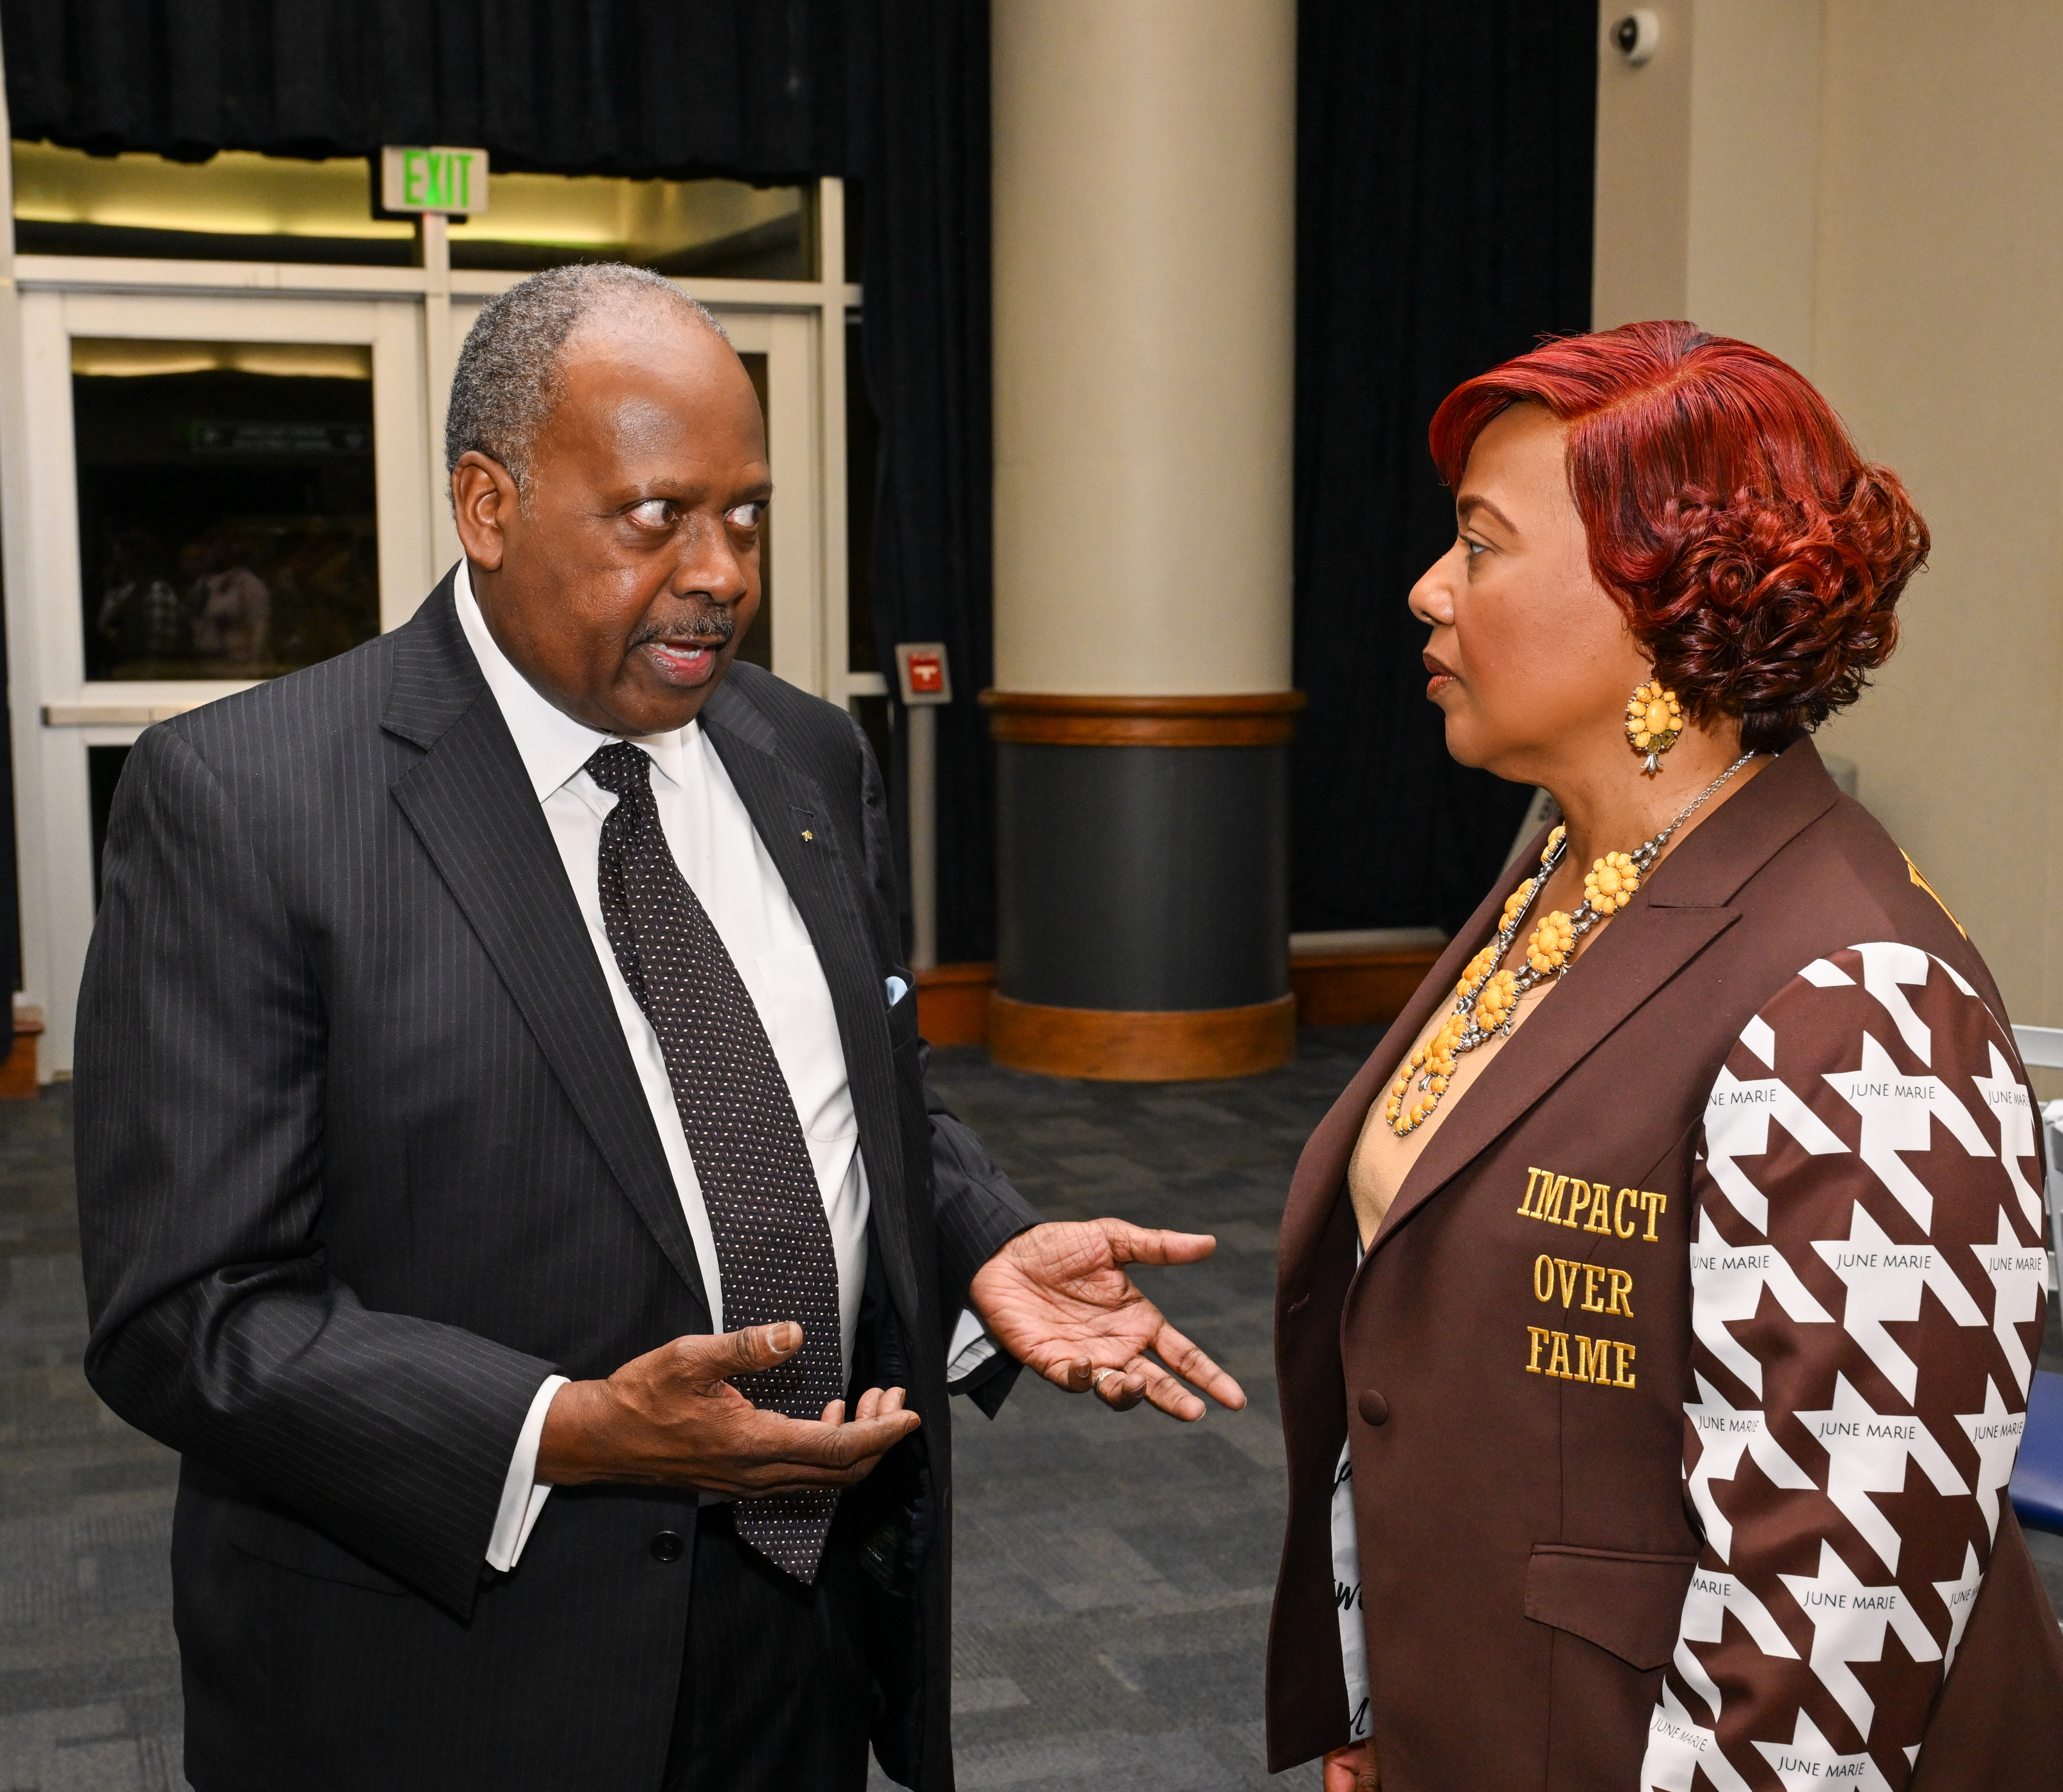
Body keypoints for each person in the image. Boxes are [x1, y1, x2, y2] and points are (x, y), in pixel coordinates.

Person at [76, 263, 1245, 1792]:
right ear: (487, 507)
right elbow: (187, 1311)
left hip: (799, 1621)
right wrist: (564, 1429)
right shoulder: (247, 800)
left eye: (747, 515)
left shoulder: (804, 753)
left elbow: (857, 1094)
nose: (720, 573)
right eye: (655, 517)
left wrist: (978, 1241)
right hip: (454, 1667)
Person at [1264, 323, 2063, 1790]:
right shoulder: (1573, 864)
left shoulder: (1865, 1000)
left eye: (1481, 546)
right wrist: (1399, 1691)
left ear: (1662, 600)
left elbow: (1828, 1643)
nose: (1430, 588)